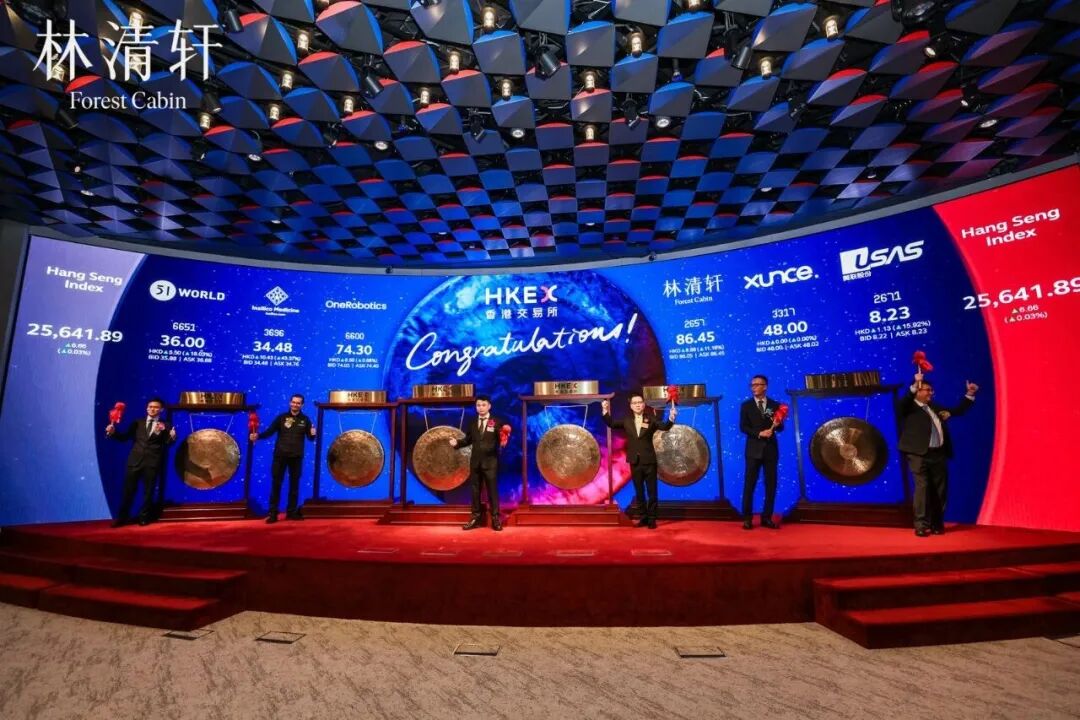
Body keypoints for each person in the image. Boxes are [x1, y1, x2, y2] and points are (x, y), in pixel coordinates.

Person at [898, 371, 978, 537]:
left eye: (931, 390)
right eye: (927, 390)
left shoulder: (935, 407)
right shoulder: (909, 407)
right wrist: (915, 384)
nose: (931, 393)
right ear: (918, 391)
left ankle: (936, 523)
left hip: (938, 454)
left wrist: (969, 394)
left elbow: (956, 411)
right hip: (918, 454)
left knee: (940, 491)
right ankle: (921, 525)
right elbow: (903, 403)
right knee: (922, 487)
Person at [602, 394, 677, 529]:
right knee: (639, 491)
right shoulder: (627, 420)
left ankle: (652, 519)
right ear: (631, 406)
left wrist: (671, 417)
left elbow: (665, 427)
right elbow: (611, 423)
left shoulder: (651, 419)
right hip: (634, 461)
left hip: (649, 461)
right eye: (634, 403)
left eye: (639, 402)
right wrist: (605, 410)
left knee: (652, 491)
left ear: (643, 404)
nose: (637, 405)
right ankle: (643, 518)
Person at [106, 397, 176, 527]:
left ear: (161, 409)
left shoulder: (166, 425)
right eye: (150, 407)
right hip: (134, 461)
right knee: (128, 491)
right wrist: (114, 432)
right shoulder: (137, 423)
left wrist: (172, 437)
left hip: (152, 462)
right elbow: (124, 437)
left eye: (155, 407)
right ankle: (122, 518)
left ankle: (144, 517)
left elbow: (167, 443)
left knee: (148, 492)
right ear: (147, 408)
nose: (152, 409)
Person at [251, 394, 316, 524]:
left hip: (296, 457)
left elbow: (310, 438)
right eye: (293, 402)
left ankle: (291, 512)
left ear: (302, 405)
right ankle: (273, 513)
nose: (295, 404)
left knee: (294, 486)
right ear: (290, 403)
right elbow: (270, 431)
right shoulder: (281, 418)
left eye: (298, 403)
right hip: (280, 456)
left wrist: (313, 434)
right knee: (276, 484)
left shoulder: (305, 420)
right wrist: (258, 436)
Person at [450, 395, 506, 531]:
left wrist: (504, 440)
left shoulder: (497, 422)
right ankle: (475, 517)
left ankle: (495, 518)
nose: (480, 408)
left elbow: (503, 440)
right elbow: (468, 440)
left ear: (489, 406)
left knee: (492, 491)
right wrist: (457, 443)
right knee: (475, 491)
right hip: (475, 463)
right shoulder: (472, 422)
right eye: (478, 405)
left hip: (491, 463)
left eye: (483, 405)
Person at [740, 375, 784, 530]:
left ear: (765, 386)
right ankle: (747, 518)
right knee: (749, 484)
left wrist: (777, 424)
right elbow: (743, 427)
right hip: (753, 450)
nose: (753, 388)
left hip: (770, 450)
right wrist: (759, 433)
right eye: (752, 385)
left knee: (771, 485)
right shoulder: (746, 405)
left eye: (757, 385)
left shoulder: (774, 405)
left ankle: (767, 517)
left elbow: (781, 428)